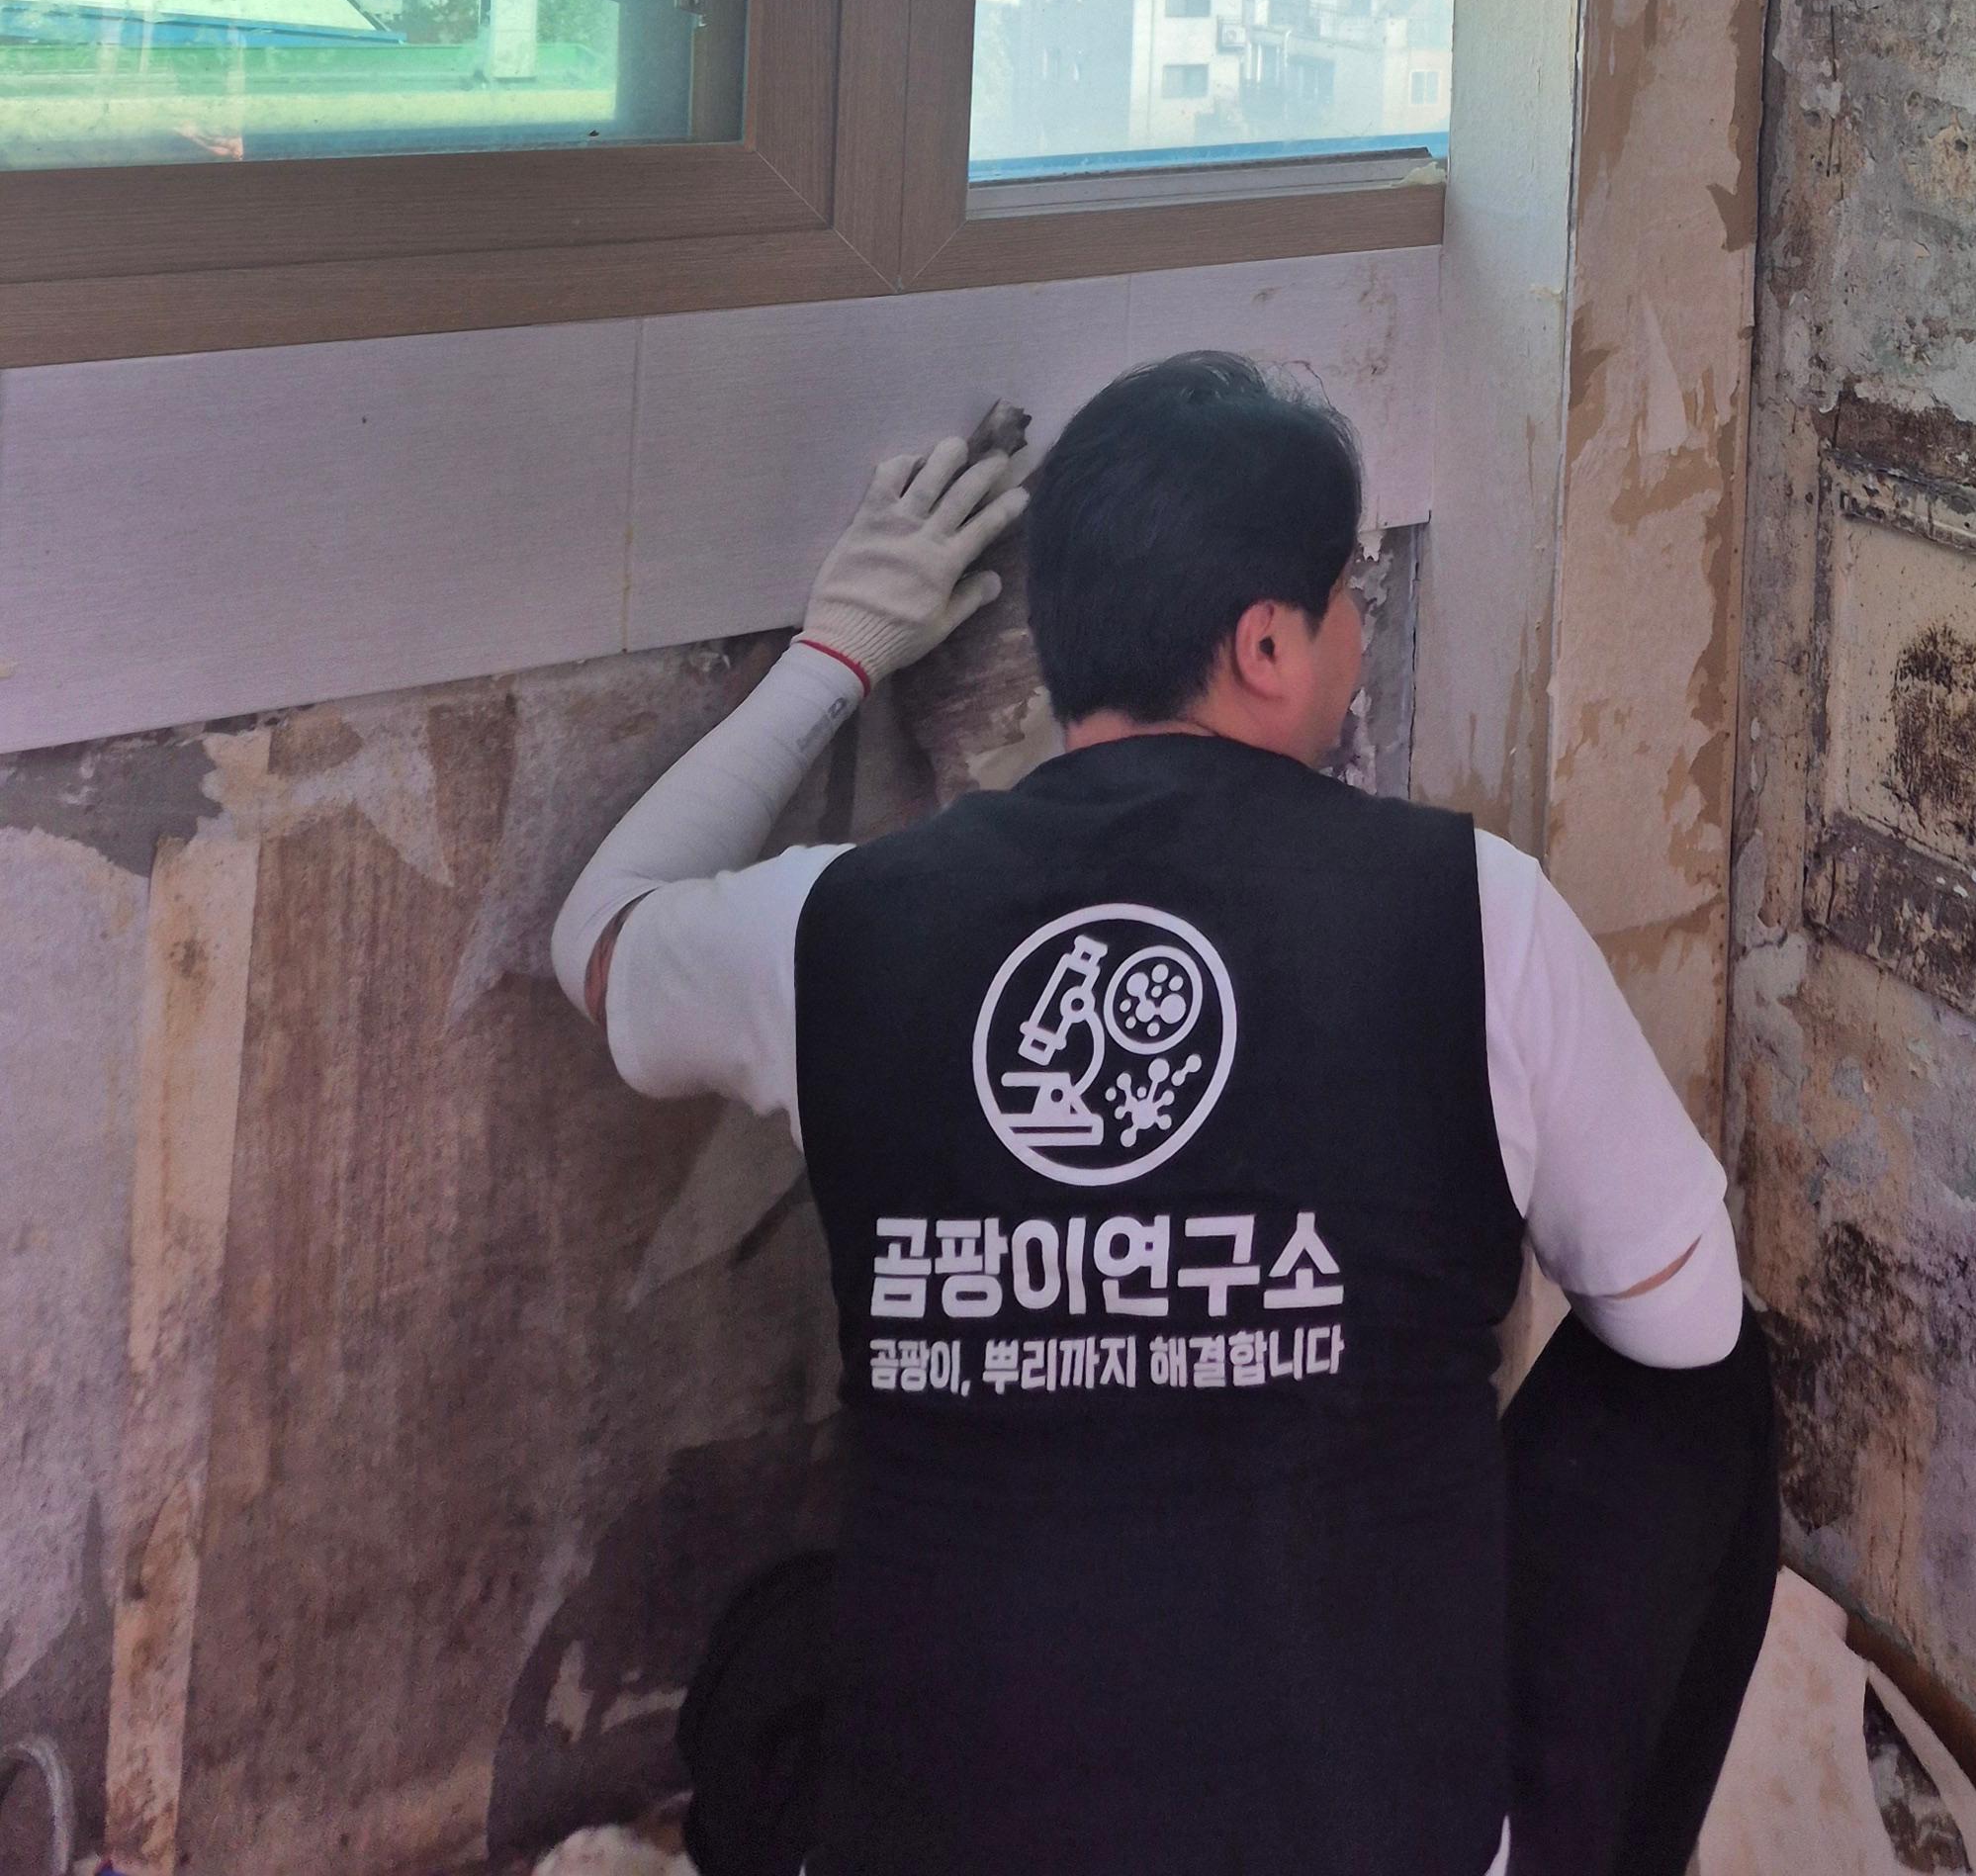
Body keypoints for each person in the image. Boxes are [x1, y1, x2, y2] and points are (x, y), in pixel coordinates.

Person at [551, 349, 1777, 1876]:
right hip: (1375, 1842)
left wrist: (838, 650)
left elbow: (599, 931)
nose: (1352, 636)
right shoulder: (1475, 909)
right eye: (1343, 600)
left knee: (782, 1653)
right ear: (1267, 643)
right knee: (1712, 1384)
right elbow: (1682, 1331)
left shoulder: (836, 927)